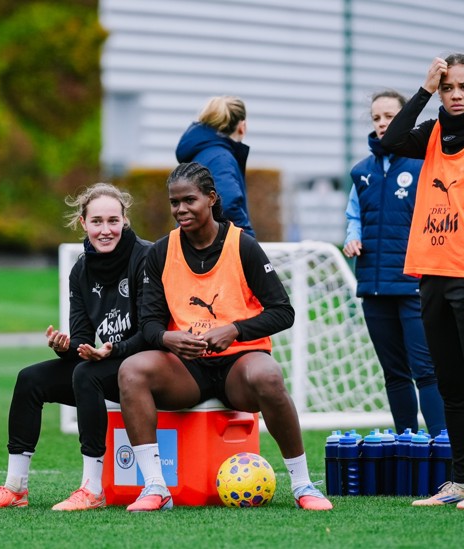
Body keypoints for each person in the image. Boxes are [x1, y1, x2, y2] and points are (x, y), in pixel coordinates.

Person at [117, 162, 332, 512]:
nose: (181, 209)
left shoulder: (243, 246)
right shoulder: (160, 252)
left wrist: (235, 330)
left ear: (211, 199)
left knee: (269, 375)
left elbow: (283, 311)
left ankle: (303, 484)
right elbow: (150, 324)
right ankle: (155, 487)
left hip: (240, 367)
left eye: (190, 200)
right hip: (187, 369)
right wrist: (169, 340)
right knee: (131, 370)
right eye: (175, 202)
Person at [381, 54, 464, 510]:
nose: (456, 95)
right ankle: (460, 481)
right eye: (448, 88)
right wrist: (422, 89)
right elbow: (391, 140)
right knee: (450, 386)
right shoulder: (433, 131)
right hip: (433, 276)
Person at [0, 183, 152, 511]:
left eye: (112, 221)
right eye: (97, 221)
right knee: (30, 379)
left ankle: (92, 489)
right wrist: (65, 347)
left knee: (87, 375)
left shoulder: (146, 257)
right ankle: (15, 488)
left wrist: (112, 350)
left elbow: (153, 330)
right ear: (83, 223)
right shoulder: (80, 269)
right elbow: (81, 339)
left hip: (146, 364)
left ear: (125, 220)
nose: (105, 230)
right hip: (106, 363)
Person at [343, 90, 447, 437]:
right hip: (373, 286)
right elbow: (354, 216)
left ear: (406, 118)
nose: (383, 123)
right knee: (395, 372)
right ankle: (408, 441)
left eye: (390, 116)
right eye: (377, 118)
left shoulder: (423, 166)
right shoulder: (361, 172)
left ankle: (441, 444)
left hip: (414, 284)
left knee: (426, 369)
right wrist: (352, 237)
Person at [175, 96, 255, 237]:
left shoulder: (201, 153)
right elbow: (227, 204)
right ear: (242, 127)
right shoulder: (221, 158)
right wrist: (248, 241)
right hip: (216, 250)